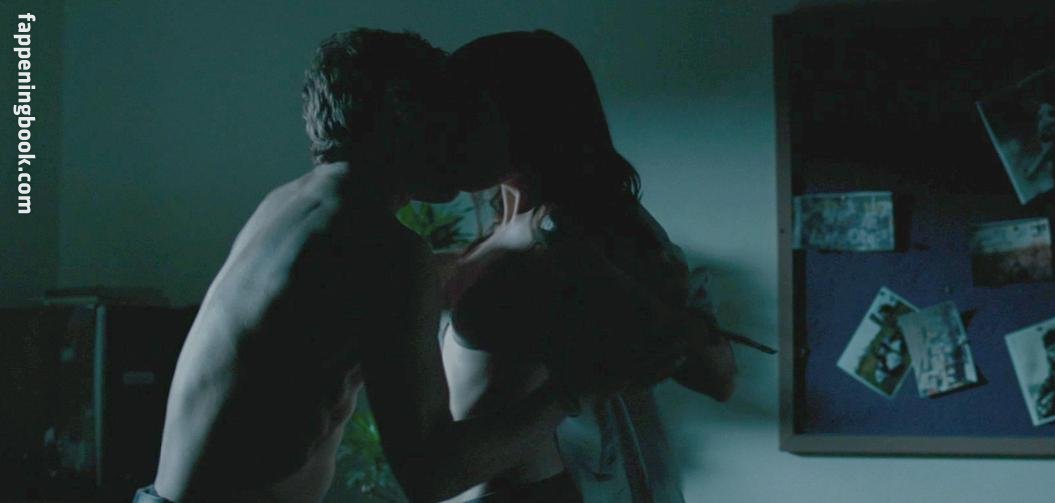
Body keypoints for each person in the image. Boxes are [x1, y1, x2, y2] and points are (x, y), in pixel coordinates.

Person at [140, 29, 672, 503]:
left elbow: (337, 304)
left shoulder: (289, 205)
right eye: (448, 113)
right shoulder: (384, 248)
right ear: (400, 108)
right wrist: (573, 390)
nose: (460, 138)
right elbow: (432, 476)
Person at [438, 30, 736, 502]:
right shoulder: (496, 228)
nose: (453, 134)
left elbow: (715, 374)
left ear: (524, 117)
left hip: (572, 484)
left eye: (471, 115)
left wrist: (664, 309)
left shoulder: (584, 229)